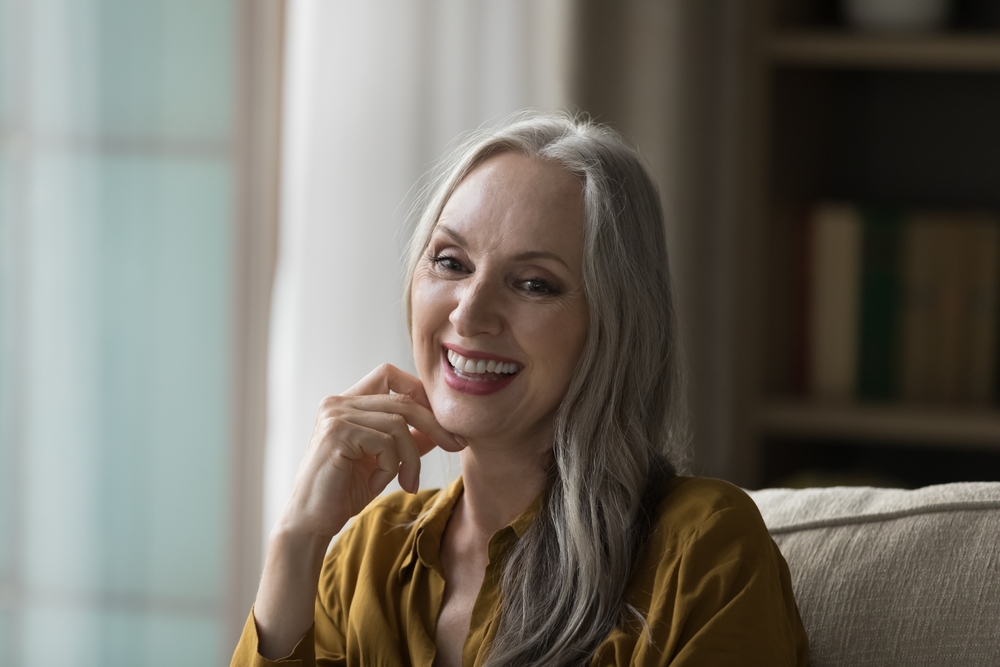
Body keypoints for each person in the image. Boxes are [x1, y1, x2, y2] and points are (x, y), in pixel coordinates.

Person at [231, 112, 809, 667]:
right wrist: (296, 538)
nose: (471, 312)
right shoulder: (366, 558)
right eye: (452, 263)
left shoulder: (702, 550)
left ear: (616, 324)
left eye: (534, 283)